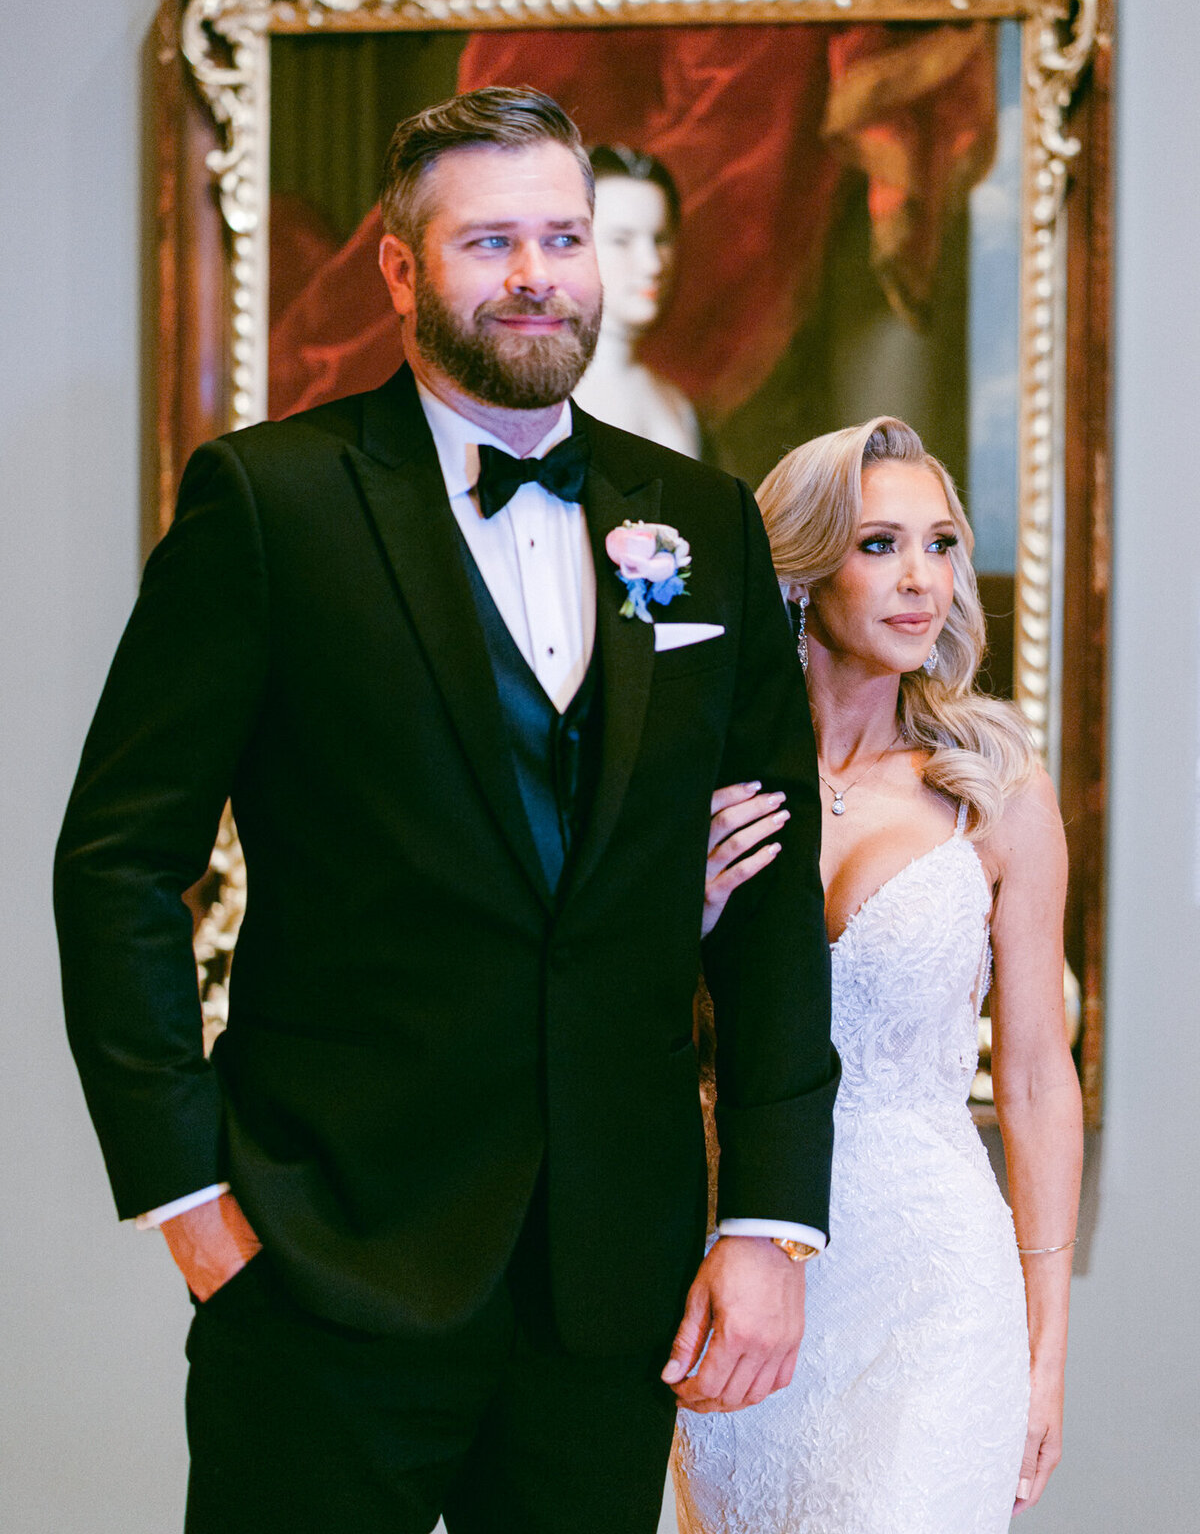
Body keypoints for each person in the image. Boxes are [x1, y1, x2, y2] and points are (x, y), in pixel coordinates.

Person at [54, 87, 839, 1534]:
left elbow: (777, 895)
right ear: (404, 271)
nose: (537, 273)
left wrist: (767, 1221)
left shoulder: (702, 520)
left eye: (563, 236)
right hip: (321, 1250)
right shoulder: (269, 502)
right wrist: (182, 1193)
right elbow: (116, 862)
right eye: (490, 242)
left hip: (609, 1279)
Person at [674, 417, 1083, 1534]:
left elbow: (1041, 1077)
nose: (923, 580)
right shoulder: (697, 781)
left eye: (942, 544)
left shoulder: (993, 786)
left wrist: (1046, 1346)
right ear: (802, 573)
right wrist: (685, 914)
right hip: (741, 1270)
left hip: (937, 1288)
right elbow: (619, 1028)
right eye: (881, 545)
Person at [571, 143, 701, 457]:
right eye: (621, 240)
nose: (653, 265)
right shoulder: (540, 399)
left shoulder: (675, 403)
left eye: (660, 240)